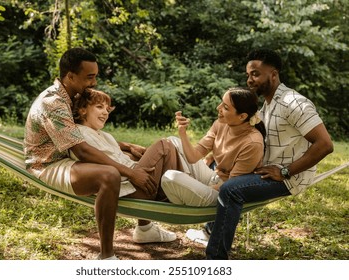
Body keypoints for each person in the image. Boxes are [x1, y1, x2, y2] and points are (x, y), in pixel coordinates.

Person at [24, 47, 156, 260]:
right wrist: (130, 173)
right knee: (109, 174)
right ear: (70, 76)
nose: (94, 83)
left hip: (66, 155)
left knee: (126, 159)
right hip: (48, 164)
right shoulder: (53, 103)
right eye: (89, 77)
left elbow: (82, 134)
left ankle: (145, 228)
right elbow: (82, 150)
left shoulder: (69, 95)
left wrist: (127, 147)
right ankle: (106, 257)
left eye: (95, 76)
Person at [205, 48, 334, 260]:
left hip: (288, 177)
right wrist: (216, 154)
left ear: (273, 74)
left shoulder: (294, 103)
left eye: (255, 74)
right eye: (248, 75)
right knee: (214, 167)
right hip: (264, 168)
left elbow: (325, 144)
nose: (249, 80)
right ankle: (212, 227)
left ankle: (215, 261)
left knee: (230, 190)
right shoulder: (266, 104)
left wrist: (285, 171)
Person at [70, 88, 183, 243]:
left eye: (107, 109)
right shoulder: (80, 135)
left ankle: (145, 229)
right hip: (130, 188)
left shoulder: (98, 134)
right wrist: (135, 167)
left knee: (164, 148)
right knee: (165, 145)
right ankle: (174, 193)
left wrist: (130, 148)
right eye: (99, 107)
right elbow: (100, 160)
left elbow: (112, 149)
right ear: (82, 111)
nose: (105, 113)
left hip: (135, 184)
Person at [161, 87, 266, 207]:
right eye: (222, 103)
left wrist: (198, 187)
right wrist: (182, 133)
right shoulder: (220, 124)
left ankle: (176, 194)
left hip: (223, 193)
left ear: (242, 116)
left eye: (225, 107)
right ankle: (180, 191)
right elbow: (193, 157)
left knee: (169, 178)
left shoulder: (252, 143)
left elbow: (231, 186)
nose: (218, 108)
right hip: (213, 177)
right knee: (172, 141)